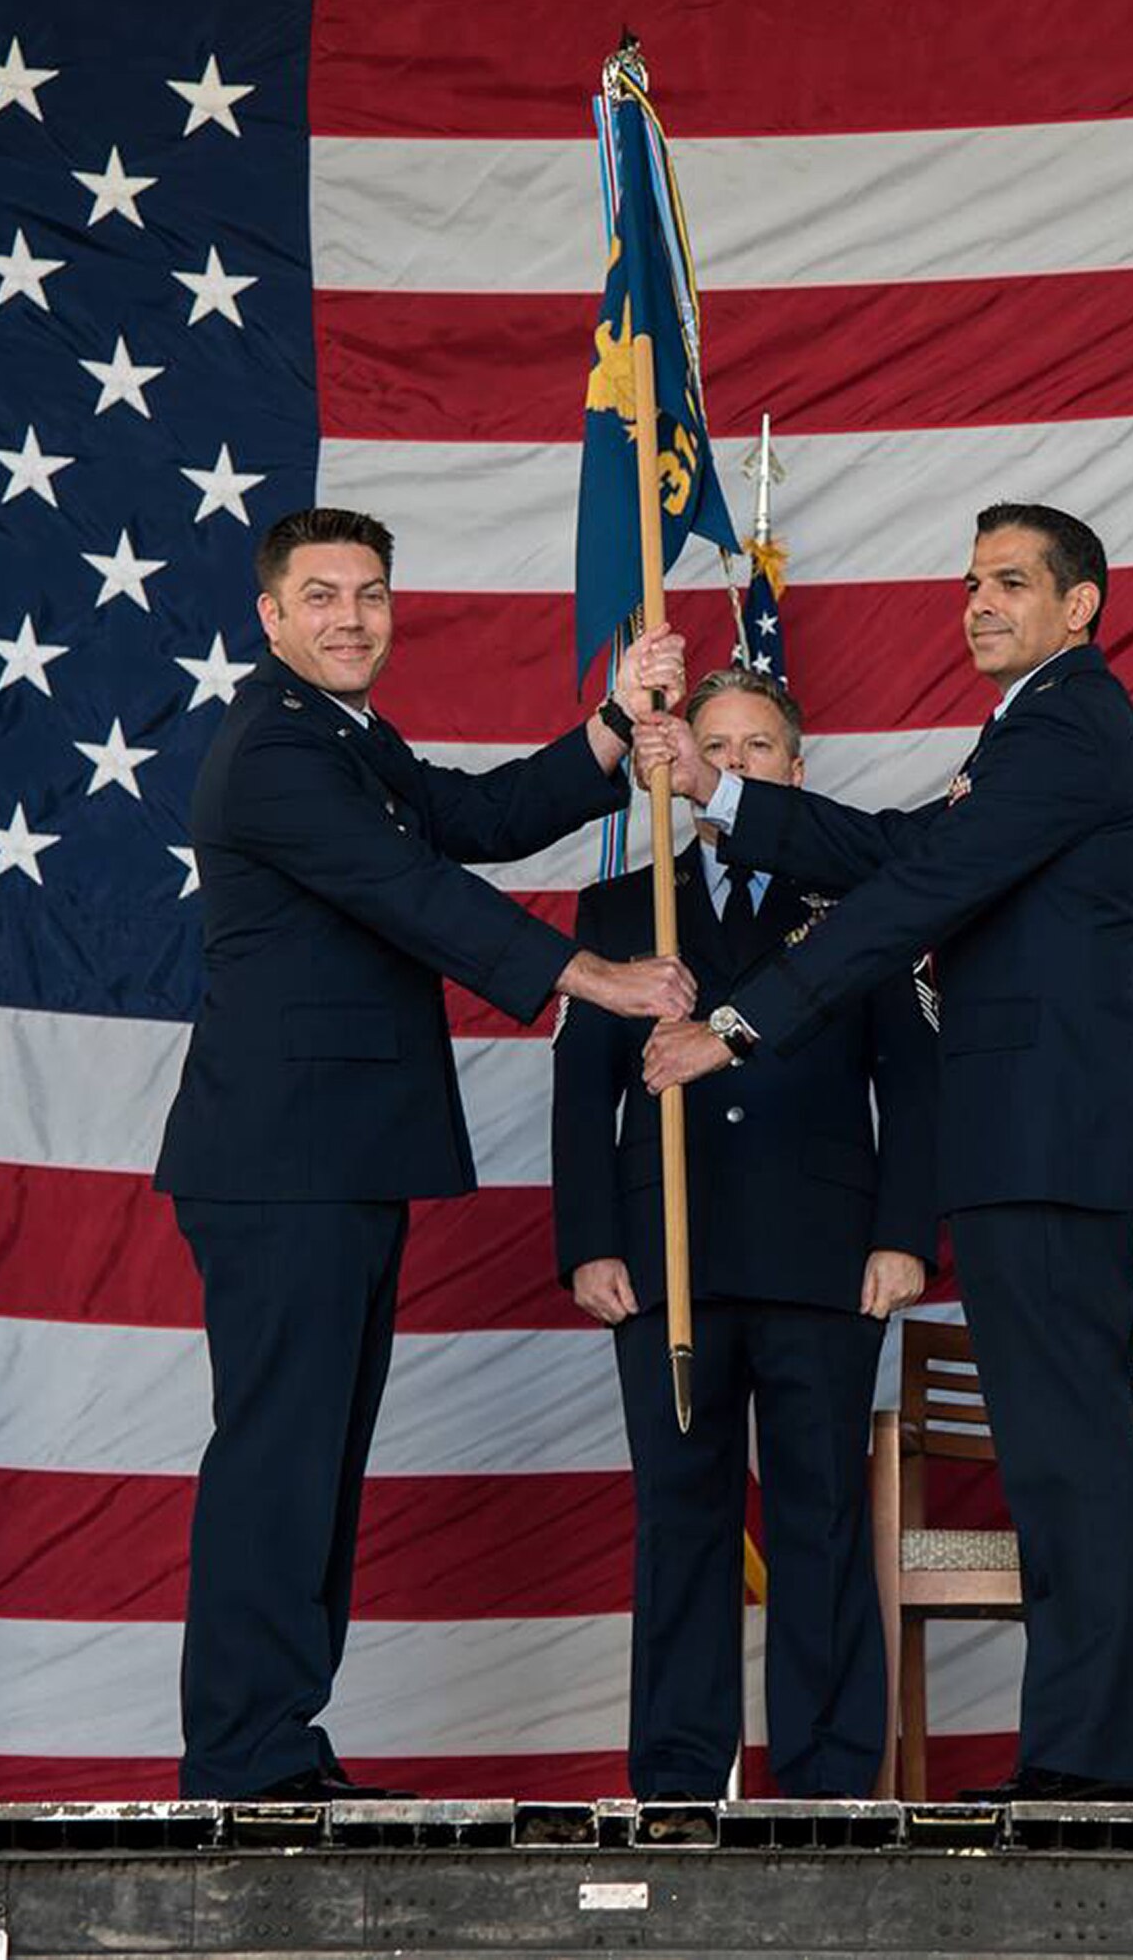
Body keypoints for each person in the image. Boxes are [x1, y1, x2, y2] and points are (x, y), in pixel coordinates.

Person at [634, 504, 1133, 1801]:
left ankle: (1094, 1777)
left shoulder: (1068, 722)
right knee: (1058, 1456)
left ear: (1082, 604)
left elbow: (922, 895)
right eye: (972, 580)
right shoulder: (1028, 731)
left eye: (1011, 580)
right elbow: (901, 847)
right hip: (1026, 1136)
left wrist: (742, 1018)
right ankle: (1084, 1763)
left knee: (1070, 1456)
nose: (980, 601)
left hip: (1049, 1135)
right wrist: (722, 790)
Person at [154, 506, 696, 1800]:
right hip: (282, 1162)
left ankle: (274, 1740)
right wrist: (595, 978)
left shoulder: (344, 739)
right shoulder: (275, 753)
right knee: (280, 1460)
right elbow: (419, 895)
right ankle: (242, 1754)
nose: (352, 615)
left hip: (337, 1158)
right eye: (323, 594)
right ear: (269, 614)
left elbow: (471, 815)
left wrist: (613, 725)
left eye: (372, 592)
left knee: (315, 1464)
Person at [552, 667, 938, 1800]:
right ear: (666, 769)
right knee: (682, 1516)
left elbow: (912, 1088)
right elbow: (582, 1097)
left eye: (753, 747)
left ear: (793, 769)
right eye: (704, 743)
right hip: (665, 1252)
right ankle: (677, 1772)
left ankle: (824, 1776)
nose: (726, 763)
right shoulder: (621, 911)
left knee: (819, 1516)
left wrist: (903, 1231)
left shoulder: (857, 903)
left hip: (824, 1255)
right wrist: (588, 1240)